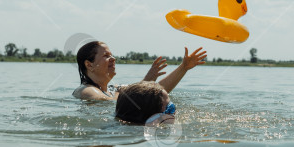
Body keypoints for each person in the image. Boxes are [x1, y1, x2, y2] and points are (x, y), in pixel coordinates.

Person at [72, 40, 207, 100]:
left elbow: (156, 91)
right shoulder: (86, 91)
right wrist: (145, 84)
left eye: (112, 55)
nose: (113, 59)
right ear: (89, 65)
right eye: (106, 56)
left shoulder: (114, 89)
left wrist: (183, 68)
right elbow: (111, 101)